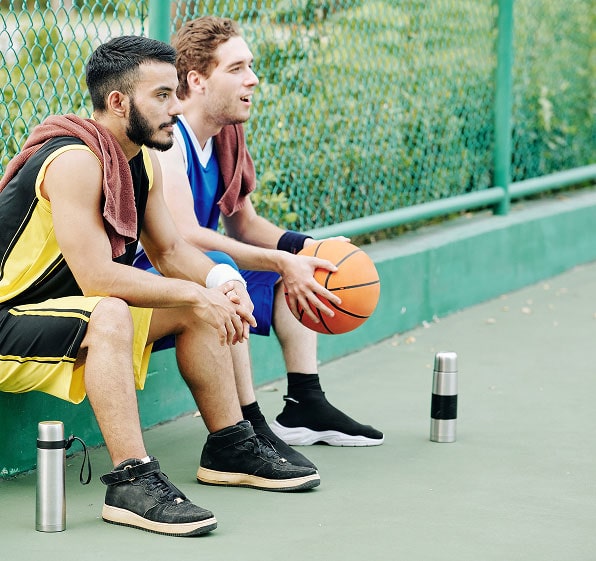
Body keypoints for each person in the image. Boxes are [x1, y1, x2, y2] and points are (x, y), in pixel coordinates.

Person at [0, 35, 320, 538]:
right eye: (162, 96)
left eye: (175, 93)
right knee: (113, 310)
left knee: (197, 309)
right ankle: (130, 481)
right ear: (118, 101)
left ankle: (229, 447)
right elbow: (97, 278)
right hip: (10, 320)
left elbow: (169, 250)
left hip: (59, 315)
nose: (176, 107)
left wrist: (221, 281)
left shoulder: (140, 160)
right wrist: (195, 292)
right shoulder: (74, 161)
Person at [134, 16, 384, 458]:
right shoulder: (168, 140)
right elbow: (185, 237)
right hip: (149, 278)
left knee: (294, 271)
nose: (252, 78)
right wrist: (278, 258)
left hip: (198, 271)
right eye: (236, 68)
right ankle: (248, 424)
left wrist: (305, 249)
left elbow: (244, 224)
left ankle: (305, 403)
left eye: (250, 66)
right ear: (197, 80)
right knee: (226, 271)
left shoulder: (226, 135)